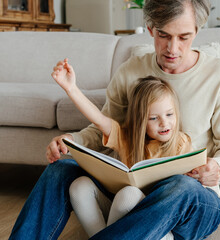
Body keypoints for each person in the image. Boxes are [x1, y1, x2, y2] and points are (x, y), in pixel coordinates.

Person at [9, 0, 220, 239]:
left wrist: (218, 167)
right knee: (60, 169)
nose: (173, 48)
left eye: (184, 37)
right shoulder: (131, 71)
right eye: (164, 35)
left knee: (181, 186)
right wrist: (71, 140)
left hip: (190, 199)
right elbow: (103, 129)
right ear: (151, 28)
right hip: (128, 194)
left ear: (197, 31)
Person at [52, 63, 191, 238]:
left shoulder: (180, 142)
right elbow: (98, 119)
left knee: (129, 194)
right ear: (140, 121)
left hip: (157, 225)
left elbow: (186, 188)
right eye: (154, 118)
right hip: (121, 212)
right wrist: (71, 88)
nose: (164, 123)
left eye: (170, 115)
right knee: (80, 186)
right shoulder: (127, 138)